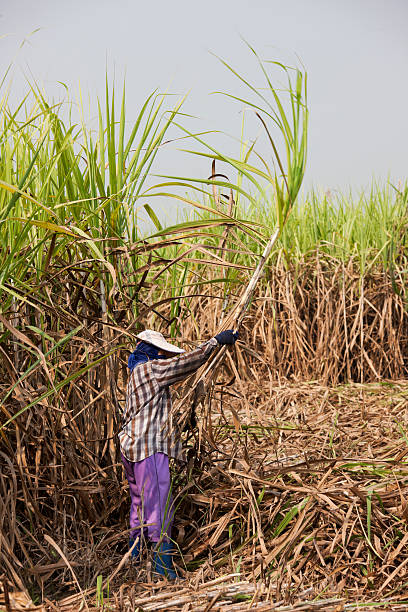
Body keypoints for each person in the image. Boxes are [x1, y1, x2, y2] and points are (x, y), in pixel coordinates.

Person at [119, 328, 238, 579]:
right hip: (148, 449)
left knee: (140, 506)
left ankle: (135, 562)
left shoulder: (135, 374)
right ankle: (163, 570)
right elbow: (183, 364)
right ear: (154, 352)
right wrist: (214, 343)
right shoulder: (149, 370)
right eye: (162, 354)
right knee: (160, 507)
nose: (165, 358)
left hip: (132, 449)